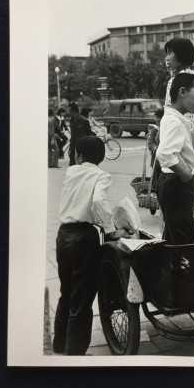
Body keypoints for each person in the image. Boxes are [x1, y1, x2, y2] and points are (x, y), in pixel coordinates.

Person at [53, 136, 134, 355]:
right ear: (100, 157)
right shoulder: (101, 175)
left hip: (63, 235)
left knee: (66, 291)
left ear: (79, 154)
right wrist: (109, 229)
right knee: (82, 296)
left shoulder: (71, 172)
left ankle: (59, 345)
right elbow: (98, 201)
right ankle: (75, 354)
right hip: (83, 239)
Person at [156, 72, 194, 245]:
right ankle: (179, 270)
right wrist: (187, 176)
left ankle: (172, 268)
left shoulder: (179, 119)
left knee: (174, 236)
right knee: (183, 239)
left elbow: (187, 145)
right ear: (182, 91)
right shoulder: (174, 121)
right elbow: (165, 153)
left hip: (175, 183)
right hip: (177, 184)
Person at [164, 37, 194, 107]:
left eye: (169, 53)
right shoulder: (193, 78)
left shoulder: (179, 81)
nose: (166, 58)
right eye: (166, 54)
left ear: (181, 55)